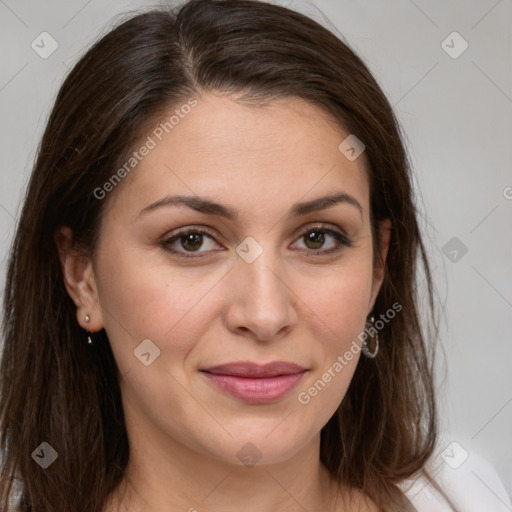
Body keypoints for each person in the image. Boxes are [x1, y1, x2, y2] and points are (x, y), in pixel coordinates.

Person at [1, 0, 503, 510]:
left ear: (379, 266)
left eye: (317, 238)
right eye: (191, 240)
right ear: (81, 274)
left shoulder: (470, 495)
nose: (265, 314)